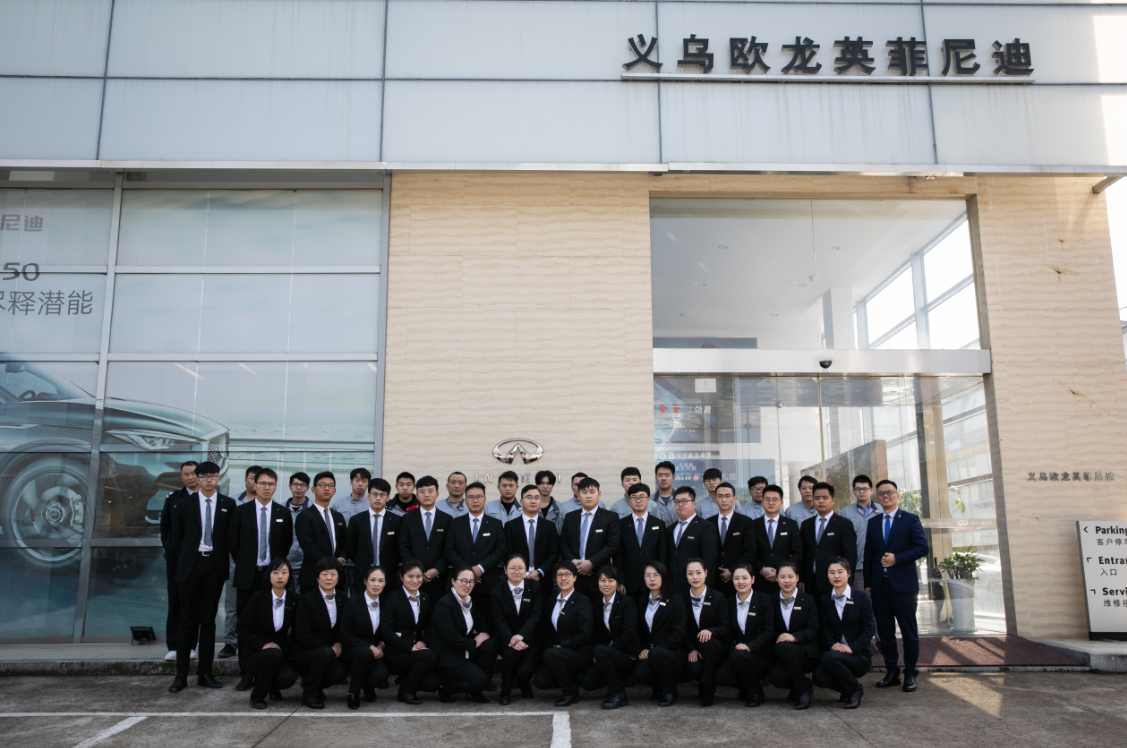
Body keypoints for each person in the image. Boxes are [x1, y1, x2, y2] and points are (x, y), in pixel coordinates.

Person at [168, 461, 235, 693]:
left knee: (208, 621)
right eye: (204, 476)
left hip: (214, 566)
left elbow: (231, 537)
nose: (208, 480)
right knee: (186, 621)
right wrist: (188, 558)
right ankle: (181, 675)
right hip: (191, 565)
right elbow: (176, 537)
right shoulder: (185, 504)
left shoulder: (228, 504)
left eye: (213, 476)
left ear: (218, 478)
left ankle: (205, 673)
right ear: (197, 478)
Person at [228, 467, 294, 691]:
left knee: (273, 623)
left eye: (271, 484)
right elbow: (233, 544)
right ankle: (246, 672)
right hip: (248, 576)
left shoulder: (283, 513)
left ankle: (272, 668)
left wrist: (273, 570)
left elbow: (285, 545)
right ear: (254, 485)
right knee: (246, 623)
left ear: (276, 487)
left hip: (272, 577)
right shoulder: (241, 511)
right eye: (263, 483)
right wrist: (247, 563)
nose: (267, 487)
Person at [865, 478, 928, 694]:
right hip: (879, 586)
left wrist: (897, 559)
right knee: (885, 633)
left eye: (889, 492)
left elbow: (922, 548)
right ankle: (892, 672)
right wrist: (868, 584)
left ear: (897, 495)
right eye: (881, 494)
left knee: (909, 633)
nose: (885, 496)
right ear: (877, 497)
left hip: (903, 586)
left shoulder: (910, 519)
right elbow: (869, 554)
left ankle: (910, 673)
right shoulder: (873, 522)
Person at [813, 557, 876, 709]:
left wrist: (852, 648)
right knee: (818, 678)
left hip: (858, 655)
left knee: (827, 657)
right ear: (827, 575)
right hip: (836, 652)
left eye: (840, 572)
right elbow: (824, 629)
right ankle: (851, 688)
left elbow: (869, 629)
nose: (836, 576)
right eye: (832, 572)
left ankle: (854, 691)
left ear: (848, 574)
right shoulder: (825, 599)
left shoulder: (861, 597)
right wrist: (832, 645)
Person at [430, 566, 499, 703]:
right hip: (449, 657)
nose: (468, 585)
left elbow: (481, 621)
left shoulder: (468, 600)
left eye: (471, 581)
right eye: (464, 581)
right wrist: (474, 643)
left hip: (463, 651)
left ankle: (475, 686)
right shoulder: (444, 604)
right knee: (481, 682)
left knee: (491, 644)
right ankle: (445, 687)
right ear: (453, 581)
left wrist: (483, 634)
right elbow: (450, 635)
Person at [237, 558, 299, 709]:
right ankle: (257, 696)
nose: (280, 576)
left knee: (288, 677)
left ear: (289, 575)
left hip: (280, 652)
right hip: (255, 654)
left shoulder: (294, 599)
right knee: (272, 654)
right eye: (275, 572)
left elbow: (297, 631)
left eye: (284, 572)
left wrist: (283, 648)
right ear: (268, 576)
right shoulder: (258, 598)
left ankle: (273, 687)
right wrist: (261, 645)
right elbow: (241, 627)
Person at [445, 482, 505, 629]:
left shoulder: (495, 524)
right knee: (461, 624)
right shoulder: (455, 523)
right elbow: (449, 550)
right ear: (465, 500)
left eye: (479, 497)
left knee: (487, 625)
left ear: (485, 499)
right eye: (471, 497)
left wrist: (481, 568)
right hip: (461, 584)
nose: (475, 500)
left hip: (487, 582)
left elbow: (500, 550)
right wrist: (468, 572)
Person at [534, 561, 594, 706]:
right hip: (558, 653)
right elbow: (547, 628)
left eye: (567, 574)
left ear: (575, 577)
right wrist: (553, 646)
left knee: (549, 654)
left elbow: (585, 634)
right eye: (559, 575)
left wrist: (563, 645)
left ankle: (570, 691)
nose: (563, 578)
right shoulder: (552, 599)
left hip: (579, 653)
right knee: (541, 681)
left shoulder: (582, 601)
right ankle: (573, 681)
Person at [579, 565, 639, 710]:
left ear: (617, 583)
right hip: (607, 654)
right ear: (597, 583)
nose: (606, 584)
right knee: (588, 682)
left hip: (627, 654)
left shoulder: (627, 602)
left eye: (611, 581)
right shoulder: (596, 605)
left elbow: (629, 632)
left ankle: (618, 693)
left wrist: (606, 650)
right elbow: (596, 634)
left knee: (600, 650)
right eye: (603, 580)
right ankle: (616, 681)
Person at [292, 558, 348, 709]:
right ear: (317, 577)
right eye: (324, 574)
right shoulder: (307, 600)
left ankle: (315, 685)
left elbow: (345, 627)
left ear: (338, 578)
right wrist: (327, 648)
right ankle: (310, 694)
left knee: (339, 674)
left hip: (330, 652)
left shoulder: (343, 598)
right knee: (325, 653)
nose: (329, 578)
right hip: (306, 652)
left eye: (333, 574)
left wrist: (339, 642)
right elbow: (302, 634)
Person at [381, 561, 441, 704]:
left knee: (432, 683)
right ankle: (406, 691)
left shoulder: (425, 597)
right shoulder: (392, 598)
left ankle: (404, 680)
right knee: (430, 656)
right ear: (401, 577)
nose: (415, 580)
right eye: (410, 576)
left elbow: (430, 625)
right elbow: (387, 631)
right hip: (397, 652)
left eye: (418, 576)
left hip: (417, 650)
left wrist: (423, 641)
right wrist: (409, 647)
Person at [715, 564, 774, 707]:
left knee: (738, 657)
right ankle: (745, 686)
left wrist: (749, 647)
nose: (741, 582)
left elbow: (768, 631)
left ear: (753, 579)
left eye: (745, 578)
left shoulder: (764, 600)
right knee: (721, 677)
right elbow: (727, 631)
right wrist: (734, 648)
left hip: (760, 655)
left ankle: (756, 692)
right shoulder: (728, 602)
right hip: (737, 653)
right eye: (736, 578)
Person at [220, 465, 261, 660]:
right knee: (233, 605)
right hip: (236, 563)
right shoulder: (233, 503)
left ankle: (256, 640)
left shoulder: (270, 505)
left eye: (258, 479)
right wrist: (238, 559)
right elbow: (229, 536)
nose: (255, 483)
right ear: (246, 480)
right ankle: (230, 642)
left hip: (260, 566)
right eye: (252, 478)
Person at [490, 553, 543, 704]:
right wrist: (512, 639)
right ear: (505, 570)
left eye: (520, 568)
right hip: (507, 638)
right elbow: (499, 621)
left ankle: (524, 684)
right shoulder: (497, 591)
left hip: (529, 638)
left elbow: (535, 615)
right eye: (512, 568)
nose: (517, 571)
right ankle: (505, 691)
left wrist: (522, 635)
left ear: (526, 570)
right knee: (510, 655)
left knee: (524, 672)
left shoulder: (535, 587)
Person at [633, 561, 687, 707]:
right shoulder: (642, 602)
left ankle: (670, 691)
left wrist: (655, 650)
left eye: (656, 575)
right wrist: (644, 649)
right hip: (651, 653)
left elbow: (679, 633)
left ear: (663, 577)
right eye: (647, 575)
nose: (652, 579)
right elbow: (641, 631)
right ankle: (658, 687)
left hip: (673, 653)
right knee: (640, 672)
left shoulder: (676, 600)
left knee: (657, 654)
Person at [160, 460, 198, 661]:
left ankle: (191, 646)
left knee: (194, 603)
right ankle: (174, 646)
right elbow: (165, 528)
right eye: (186, 474)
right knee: (175, 601)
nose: (191, 477)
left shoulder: (207, 499)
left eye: (194, 473)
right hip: (176, 560)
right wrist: (170, 550)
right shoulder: (173, 499)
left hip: (199, 560)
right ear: (181, 477)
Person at [768, 562, 820, 710]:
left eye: (790, 576)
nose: (787, 580)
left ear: (797, 578)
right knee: (776, 678)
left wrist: (794, 637)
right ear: (776, 579)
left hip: (805, 651)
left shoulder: (808, 600)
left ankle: (803, 691)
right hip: (782, 652)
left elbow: (813, 629)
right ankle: (803, 685)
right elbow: (768, 628)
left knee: (783, 647)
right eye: (782, 577)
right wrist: (782, 638)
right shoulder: (770, 600)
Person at [561, 477, 621, 601]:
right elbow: (563, 543)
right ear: (578, 495)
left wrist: (591, 563)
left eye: (592, 492)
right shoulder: (570, 517)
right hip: (574, 576)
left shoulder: (610, 517)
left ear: (599, 494)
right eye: (584, 492)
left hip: (599, 576)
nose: (588, 496)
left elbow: (612, 545)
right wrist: (574, 563)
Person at [340, 565, 391, 709]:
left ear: (385, 583)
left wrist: (381, 645)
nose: (376, 584)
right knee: (364, 653)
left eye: (380, 581)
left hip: (377, 650)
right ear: (365, 581)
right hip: (354, 650)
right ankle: (353, 692)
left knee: (380, 676)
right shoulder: (352, 602)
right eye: (372, 580)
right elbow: (344, 634)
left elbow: (390, 630)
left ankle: (368, 686)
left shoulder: (387, 602)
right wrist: (370, 647)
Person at [682, 558, 730, 707]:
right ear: (685, 575)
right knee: (694, 670)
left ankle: (708, 685)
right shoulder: (680, 598)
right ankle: (703, 680)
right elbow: (680, 629)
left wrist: (710, 631)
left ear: (706, 573)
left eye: (698, 572)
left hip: (716, 646)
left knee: (707, 641)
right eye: (690, 573)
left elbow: (726, 627)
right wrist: (691, 649)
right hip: (694, 649)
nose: (695, 577)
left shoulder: (718, 597)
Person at [799, 482, 858, 599]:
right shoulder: (806, 524)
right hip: (810, 582)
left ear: (833, 500)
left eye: (825, 498)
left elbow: (850, 555)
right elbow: (803, 553)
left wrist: (847, 580)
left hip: (834, 580)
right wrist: (801, 579)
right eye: (817, 498)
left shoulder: (844, 524)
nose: (821, 501)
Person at [294, 472, 348, 595]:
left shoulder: (338, 517)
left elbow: (345, 542)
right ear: (313, 489)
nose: (327, 488)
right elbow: (308, 546)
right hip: (312, 576)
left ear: (334, 491)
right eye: (322, 485)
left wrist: (341, 560)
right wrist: (330, 565)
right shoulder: (305, 516)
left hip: (337, 577)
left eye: (330, 486)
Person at [399, 475, 451, 599]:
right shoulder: (407, 518)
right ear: (417, 495)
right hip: (413, 579)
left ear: (437, 494)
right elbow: (403, 547)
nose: (426, 495)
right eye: (422, 492)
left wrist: (437, 570)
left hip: (439, 579)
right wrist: (416, 571)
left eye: (430, 491)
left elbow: (449, 549)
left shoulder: (446, 519)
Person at [346, 478, 402, 593]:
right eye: (374, 494)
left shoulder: (396, 521)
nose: (378, 498)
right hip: (363, 572)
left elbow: (400, 547)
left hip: (389, 573)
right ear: (368, 496)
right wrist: (362, 560)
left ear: (388, 498)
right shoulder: (356, 520)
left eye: (382, 495)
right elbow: (350, 547)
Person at [615, 483, 669, 600]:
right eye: (634, 497)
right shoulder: (621, 524)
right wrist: (620, 581)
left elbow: (663, 554)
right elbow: (618, 555)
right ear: (629, 500)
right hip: (629, 583)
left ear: (648, 499)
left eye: (642, 497)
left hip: (653, 581)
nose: (638, 500)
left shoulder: (659, 524)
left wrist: (662, 579)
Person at [751, 485, 803, 595]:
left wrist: (782, 571)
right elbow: (750, 552)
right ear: (762, 502)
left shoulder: (790, 525)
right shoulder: (753, 525)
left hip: (785, 581)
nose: (771, 503)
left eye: (775, 500)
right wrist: (761, 569)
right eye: (767, 499)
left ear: (781, 503)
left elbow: (797, 552)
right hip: (760, 581)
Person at [666, 486, 719, 594]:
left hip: (696, 587)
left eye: (684, 501)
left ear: (694, 504)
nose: (680, 505)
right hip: (673, 587)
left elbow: (710, 559)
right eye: (677, 502)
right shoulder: (670, 529)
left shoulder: (705, 526)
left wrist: (706, 588)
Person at [504, 484, 560, 585]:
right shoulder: (510, 526)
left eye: (537, 498)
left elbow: (554, 553)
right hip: (517, 578)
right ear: (521, 501)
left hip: (543, 579)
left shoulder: (549, 526)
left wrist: (540, 571)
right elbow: (507, 553)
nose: (533, 501)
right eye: (529, 497)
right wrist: (522, 572)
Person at [709, 481, 756, 598]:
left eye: (727, 496)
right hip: (714, 579)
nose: (724, 500)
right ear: (715, 499)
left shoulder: (745, 522)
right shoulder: (708, 523)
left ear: (734, 499)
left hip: (738, 578)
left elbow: (750, 551)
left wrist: (732, 570)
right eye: (720, 496)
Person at [841, 475, 878, 593]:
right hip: (856, 566)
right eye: (858, 489)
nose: (861, 492)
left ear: (871, 491)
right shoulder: (846, 512)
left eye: (865, 489)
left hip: (877, 565)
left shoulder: (881, 510)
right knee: (860, 599)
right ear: (853, 491)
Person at [284, 472, 311, 592]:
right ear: (290, 486)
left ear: (308, 488)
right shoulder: (280, 509)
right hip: (284, 564)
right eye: (295, 484)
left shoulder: (313, 510)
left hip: (305, 564)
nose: (298, 488)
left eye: (302, 485)